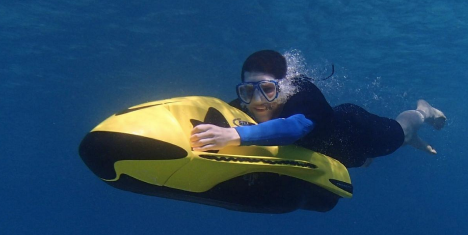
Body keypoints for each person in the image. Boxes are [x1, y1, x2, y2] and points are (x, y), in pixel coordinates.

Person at [190, 50, 446, 168]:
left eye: (267, 89)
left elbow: (294, 128)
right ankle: (410, 141)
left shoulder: (303, 96)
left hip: (358, 132)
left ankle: (423, 112)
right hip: (337, 151)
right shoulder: (248, 100)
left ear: (285, 86)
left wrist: (235, 136)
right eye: (247, 91)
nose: (256, 100)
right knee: (366, 161)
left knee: (403, 131)